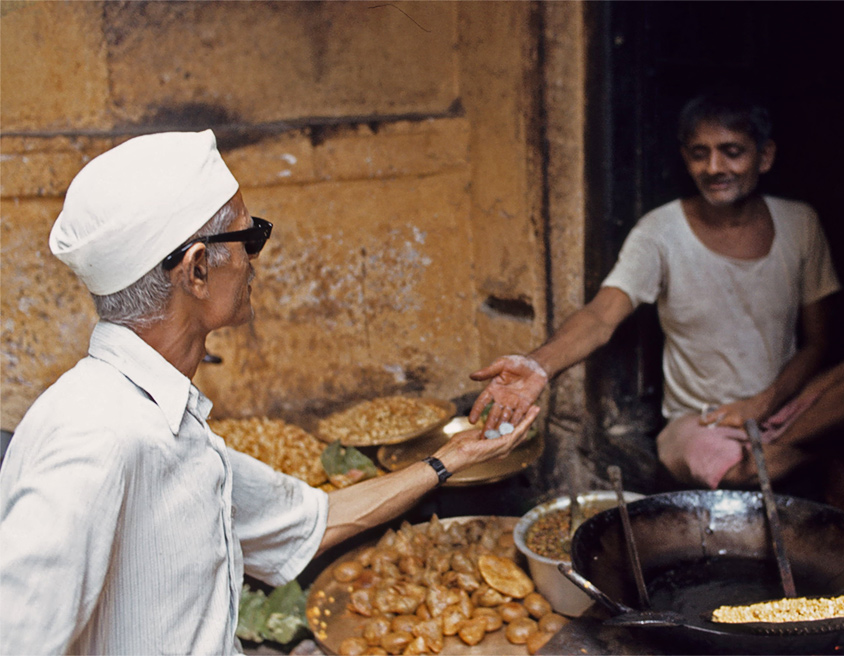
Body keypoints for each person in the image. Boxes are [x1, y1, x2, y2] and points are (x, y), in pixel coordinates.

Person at [0, 130, 540, 655]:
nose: (255, 258)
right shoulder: (96, 436)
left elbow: (311, 521)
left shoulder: (167, 420)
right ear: (197, 269)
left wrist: (452, 458)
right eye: (248, 237)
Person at [468, 87, 844, 494]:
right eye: (700, 154)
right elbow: (601, 317)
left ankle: (796, 455)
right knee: (751, 472)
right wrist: (538, 367)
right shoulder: (659, 232)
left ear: (766, 156)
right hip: (702, 424)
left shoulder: (800, 223)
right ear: (686, 158)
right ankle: (821, 465)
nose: (714, 168)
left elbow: (818, 343)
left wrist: (764, 402)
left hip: (788, 409)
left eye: (732, 152)